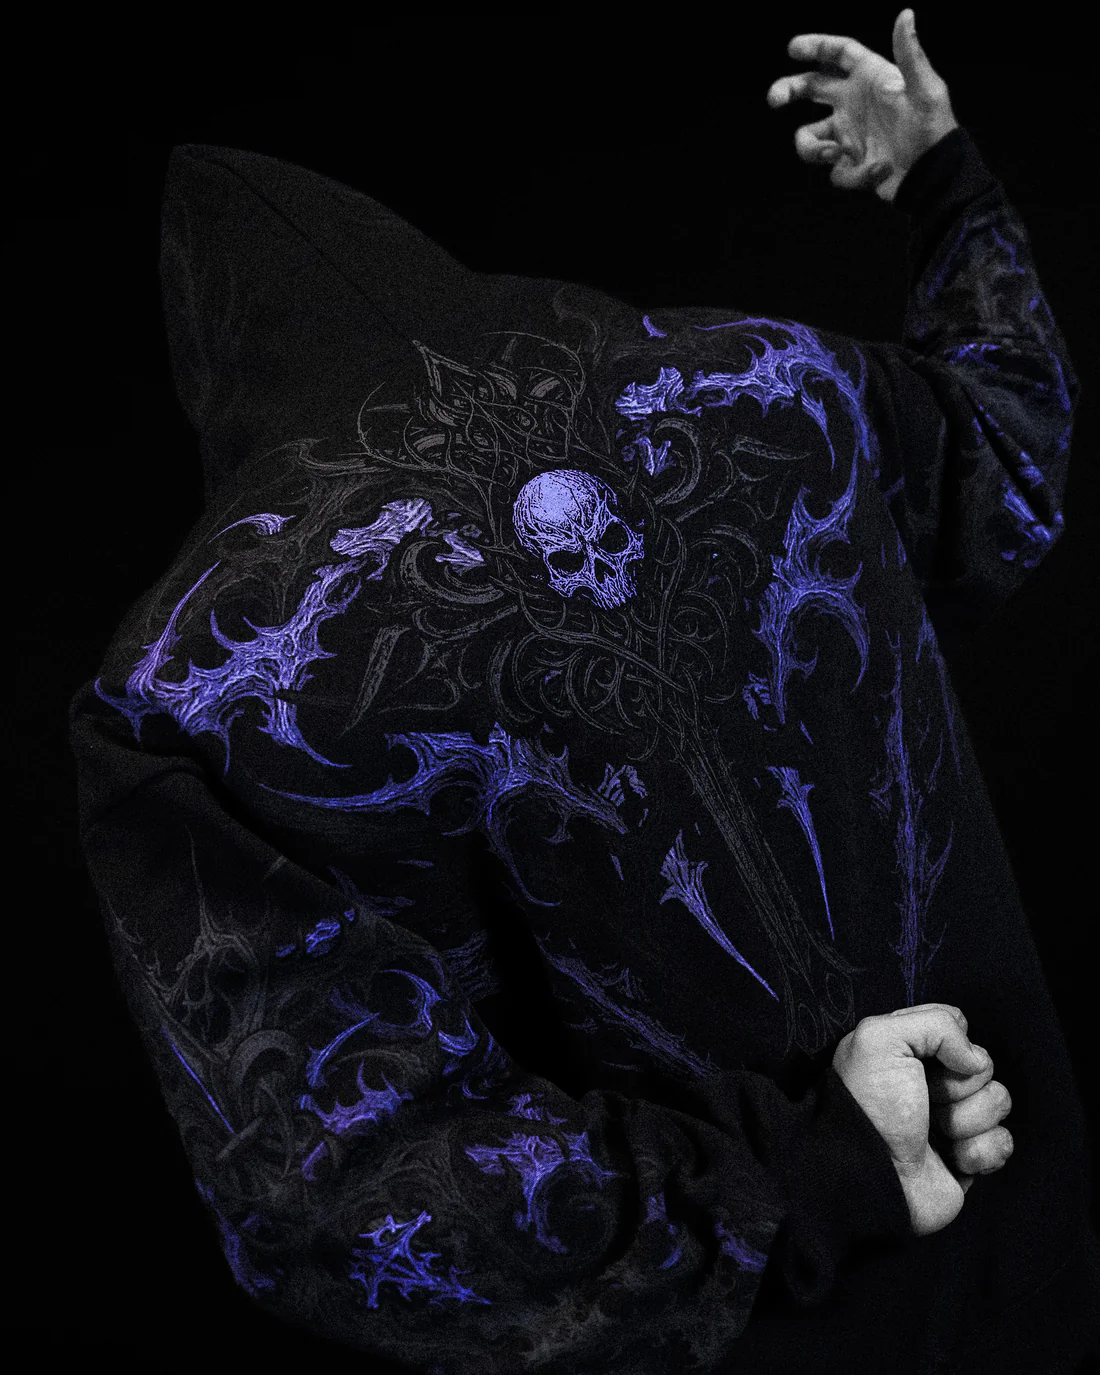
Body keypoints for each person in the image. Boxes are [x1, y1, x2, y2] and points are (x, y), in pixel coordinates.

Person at [68, 10, 1099, 1373]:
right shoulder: (778, 385)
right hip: (1029, 1260)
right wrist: (942, 179)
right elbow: (1009, 450)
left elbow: (349, 1193)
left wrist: (808, 1171)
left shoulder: (200, 687)